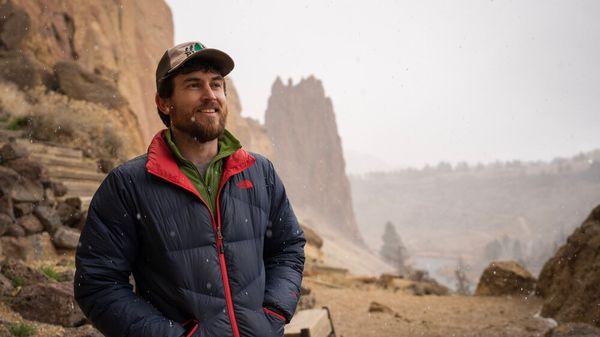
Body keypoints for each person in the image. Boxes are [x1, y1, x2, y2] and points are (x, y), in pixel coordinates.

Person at [74, 41, 306, 337]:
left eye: (217, 84)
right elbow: (97, 283)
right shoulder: (129, 185)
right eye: (194, 85)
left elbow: (288, 249)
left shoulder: (260, 173)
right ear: (164, 102)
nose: (210, 95)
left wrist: (273, 312)